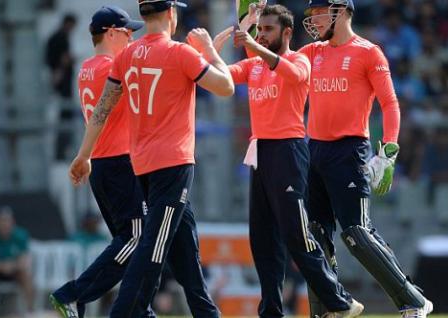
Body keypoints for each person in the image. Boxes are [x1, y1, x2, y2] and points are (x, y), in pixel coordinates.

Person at [68, 0, 234, 317]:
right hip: (174, 162)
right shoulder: (179, 53)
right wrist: (211, 51)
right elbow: (225, 87)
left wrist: (83, 154)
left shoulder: (127, 55)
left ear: (144, 16)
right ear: (171, 14)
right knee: (152, 248)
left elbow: (102, 109)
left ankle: (206, 313)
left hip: (141, 163)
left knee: (184, 245)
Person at [213, 4, 362, 317]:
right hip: (261, 152)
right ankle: (271, 311)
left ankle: (341, 301)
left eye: (268, 30)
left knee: (296, 232)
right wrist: (213, 46)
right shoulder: (254, 66)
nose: (262, 35)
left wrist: (253, 45)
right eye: (260, 30)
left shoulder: (299, 60)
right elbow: (219, 78)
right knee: (262, 238)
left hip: (288, 151)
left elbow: (293, 74)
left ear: (287, 32)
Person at [300, 1, 433, 317]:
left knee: (356, 233)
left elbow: (390, 104)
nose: (314, 19)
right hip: (314, 150)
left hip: (350, 150)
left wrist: (388, 152)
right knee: (315, 235)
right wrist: (250, 31)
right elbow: (273, 65)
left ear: (342, 11)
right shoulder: (311, 53)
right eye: (312, 13)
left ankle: (413, 300)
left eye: (320, 11)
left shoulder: (368, 52)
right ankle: (328, 310)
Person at [49, 6, 145, 318]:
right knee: (137, 239)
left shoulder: (86, 69)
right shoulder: (113, 67)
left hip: (102, 165)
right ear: (111, 33)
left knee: (130, 244)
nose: (131, 38)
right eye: (128, 32)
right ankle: (73, 293)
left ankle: (138, 310)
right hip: (119, 163)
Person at [0, 207, 33, 314]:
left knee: (26, 274)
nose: (4, 224)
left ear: (13, 222)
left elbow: (24, 261)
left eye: (7, 221)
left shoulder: (21, 235)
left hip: (15, 271)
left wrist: (11, 266)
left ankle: (30, 310)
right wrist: (3, 266)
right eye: (1, 221)